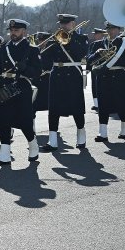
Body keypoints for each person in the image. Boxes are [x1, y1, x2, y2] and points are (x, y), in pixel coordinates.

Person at [0, 19, 42, 166]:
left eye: (16, 30)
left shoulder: (32, 49)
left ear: (24, 31)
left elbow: (37, 72)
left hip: (21, 86)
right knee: (3, 120)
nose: (13, 33)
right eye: (11, 30)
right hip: (5, 86)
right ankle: (4, 155)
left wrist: (25, 68)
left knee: (24, 121)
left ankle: (33, 144)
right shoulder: (4, 47)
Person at [40, 14, 90, 151]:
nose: (63, 26)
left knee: (77, 107)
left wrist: (69, 40)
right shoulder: (54, 40)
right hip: (56, 75)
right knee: (54, 109)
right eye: (61, 24)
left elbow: (81, 54)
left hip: (73, 75)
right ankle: (53, 141)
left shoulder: (81, 38)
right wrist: (42, 50)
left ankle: (81, 136)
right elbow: (45, 60)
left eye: (66, 24)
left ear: (73, 24)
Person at [88, 21, 125, 141]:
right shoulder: (98, 44)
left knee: (121, 103)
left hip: (119, 76)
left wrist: (114, 59)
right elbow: (88, 60)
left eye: (114, 29)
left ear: (119, 30)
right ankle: (102, 133)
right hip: (103, 77)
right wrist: (97, 54)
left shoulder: (124, 43)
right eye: (109, 29)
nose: (110, 31)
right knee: (103, 105)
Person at [87, 27, 106, 111]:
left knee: (104, 86)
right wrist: (88, 68)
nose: (94, 35)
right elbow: (89, 57)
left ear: (101, 35)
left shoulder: (106, 43)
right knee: (94, 86)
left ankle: (104, 103)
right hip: (95, 67)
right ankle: (96, 104)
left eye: (96, 34)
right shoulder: (93, 44)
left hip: (104, 67)